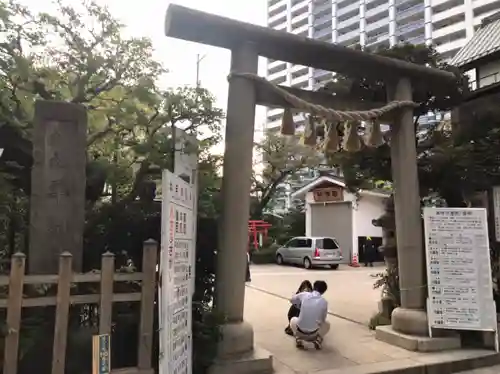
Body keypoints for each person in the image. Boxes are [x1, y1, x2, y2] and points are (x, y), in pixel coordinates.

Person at [289, 280, 330, 350]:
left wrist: (299, 305)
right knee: (327, 324)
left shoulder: (304, 294)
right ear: (323, 291)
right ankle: (318, 340)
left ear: (313, 287)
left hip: (299, 331)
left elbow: (292, 300)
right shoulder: (324, 302)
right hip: (313, 334)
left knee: (293, 319)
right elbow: (322, 319)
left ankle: (298, 338)